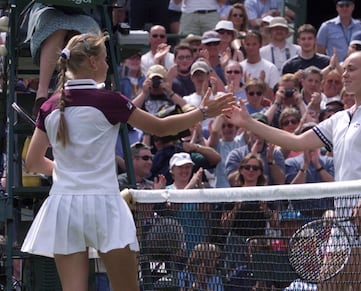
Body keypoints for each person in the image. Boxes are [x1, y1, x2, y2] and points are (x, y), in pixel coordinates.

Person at [20, 32, 234, 291]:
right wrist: (203, 112)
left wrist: (63, 172)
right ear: (92, 62)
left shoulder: (49, 107)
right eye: (105, 59)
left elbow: (33, 162)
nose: (108, 65)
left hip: (64, 207)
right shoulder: (110, 101)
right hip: (103, 207)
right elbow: (162, 128)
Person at [226, 50, 361, 290]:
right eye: (344, 69)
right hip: (342, 223)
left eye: (351, 69)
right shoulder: (340, 118)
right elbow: (296, 142)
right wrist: (248, 122)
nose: (344, 74)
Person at [24, 3, 101, 117]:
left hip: (82, 12)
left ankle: (78, 94)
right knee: (57, 26)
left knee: (84, 33)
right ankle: (42, 93)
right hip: (45, 9)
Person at [240, 30, 280, 95]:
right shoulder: (239, 68)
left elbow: (274, 95)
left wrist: (262, 84)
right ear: (244, 45)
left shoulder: (271, 68)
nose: (251, 47)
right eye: (248, 44)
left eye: (254, 44)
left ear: (260, 45)